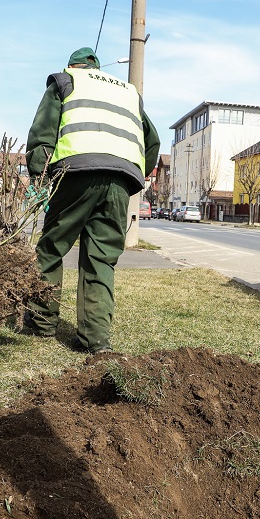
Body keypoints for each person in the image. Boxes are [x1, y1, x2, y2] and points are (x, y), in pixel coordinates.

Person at [24, 47, 160, 353]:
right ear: (97, 68)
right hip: (120, 179)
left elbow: (44, 131)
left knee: (50, 248)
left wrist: (40, 175)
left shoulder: (64, 81)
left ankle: (42, 323)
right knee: (101, 258)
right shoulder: (129, 93)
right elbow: (153, 142)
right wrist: (136, 174)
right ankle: (95, 341)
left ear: (74, 65)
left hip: (76, 172)